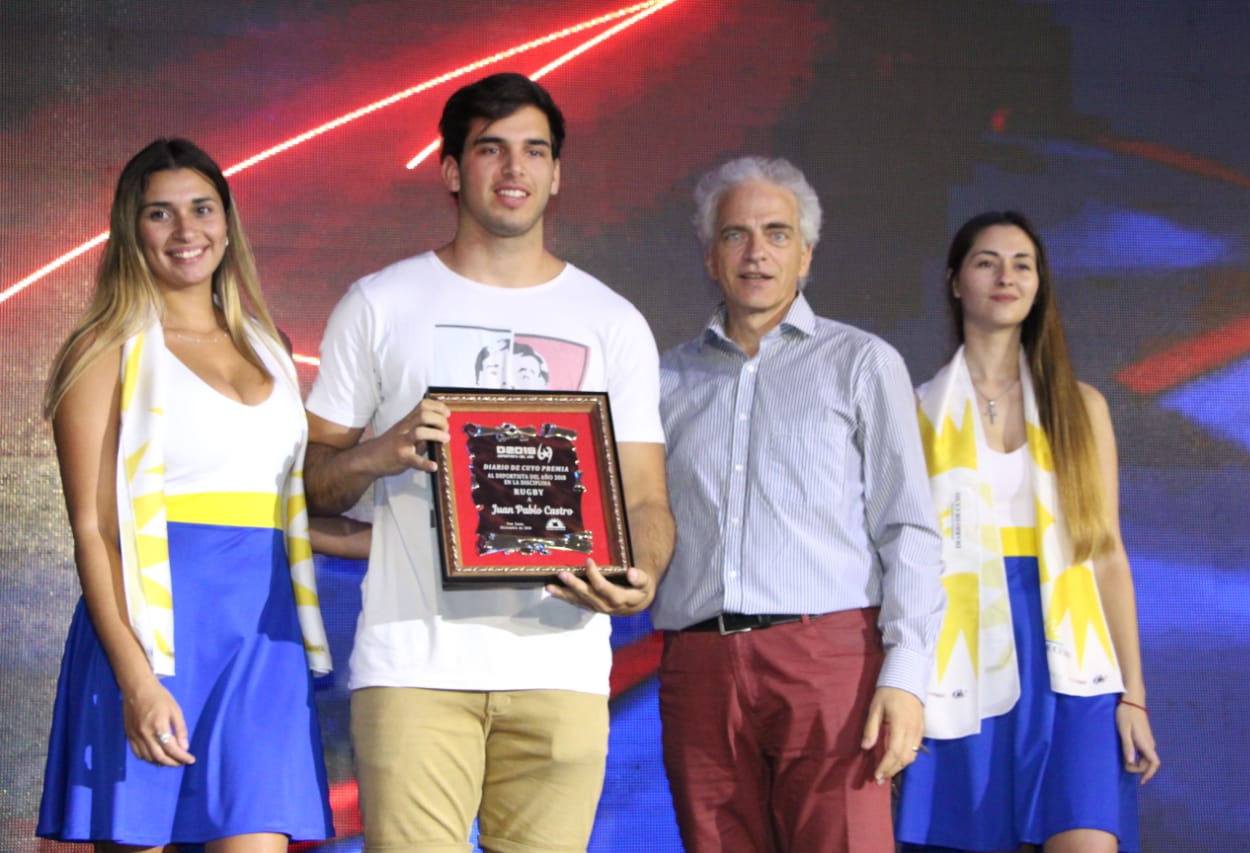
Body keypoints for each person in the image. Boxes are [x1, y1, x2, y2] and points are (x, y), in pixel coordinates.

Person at [302, 72, 674, 853]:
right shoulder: (380, 303)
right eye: (491, 149)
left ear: (556, 174)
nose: (514, 169)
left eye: (534, 151)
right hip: (413, 665)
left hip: (563, 668)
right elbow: (310, 480)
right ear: (450, 169)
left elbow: (645, 498)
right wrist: (381, 451)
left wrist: (642, 571)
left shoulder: (612, 321)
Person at [37, 138, 333, 851]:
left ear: (227, 222)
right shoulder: (103, 348)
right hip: (153, 638)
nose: (184, 230)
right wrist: (136, 680)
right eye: (159, 213)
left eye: (201, 208)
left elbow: (284, 512)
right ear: (130, 230)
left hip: (264, 639)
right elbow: (95, 531)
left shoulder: (270, 344)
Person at [651, 155, 946, 852]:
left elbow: (909, 528)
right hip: (699, 668)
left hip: (830, 660)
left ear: (806, 254)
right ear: (709, 258)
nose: (756, 252)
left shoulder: (862, 362)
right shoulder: (662, 379)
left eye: (777, 233)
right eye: (736, 235)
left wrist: (906, 676)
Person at [896, 211, 1160, 852]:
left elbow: (1107, 556)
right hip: (959, 654)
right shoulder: (914, 409)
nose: (1006, 277)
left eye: (1022, 264)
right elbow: (899, 560)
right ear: (955, 281)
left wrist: (1135, 696)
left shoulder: (1081, 407)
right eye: (986, 262)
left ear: (1039, 285)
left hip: (1072, 660)